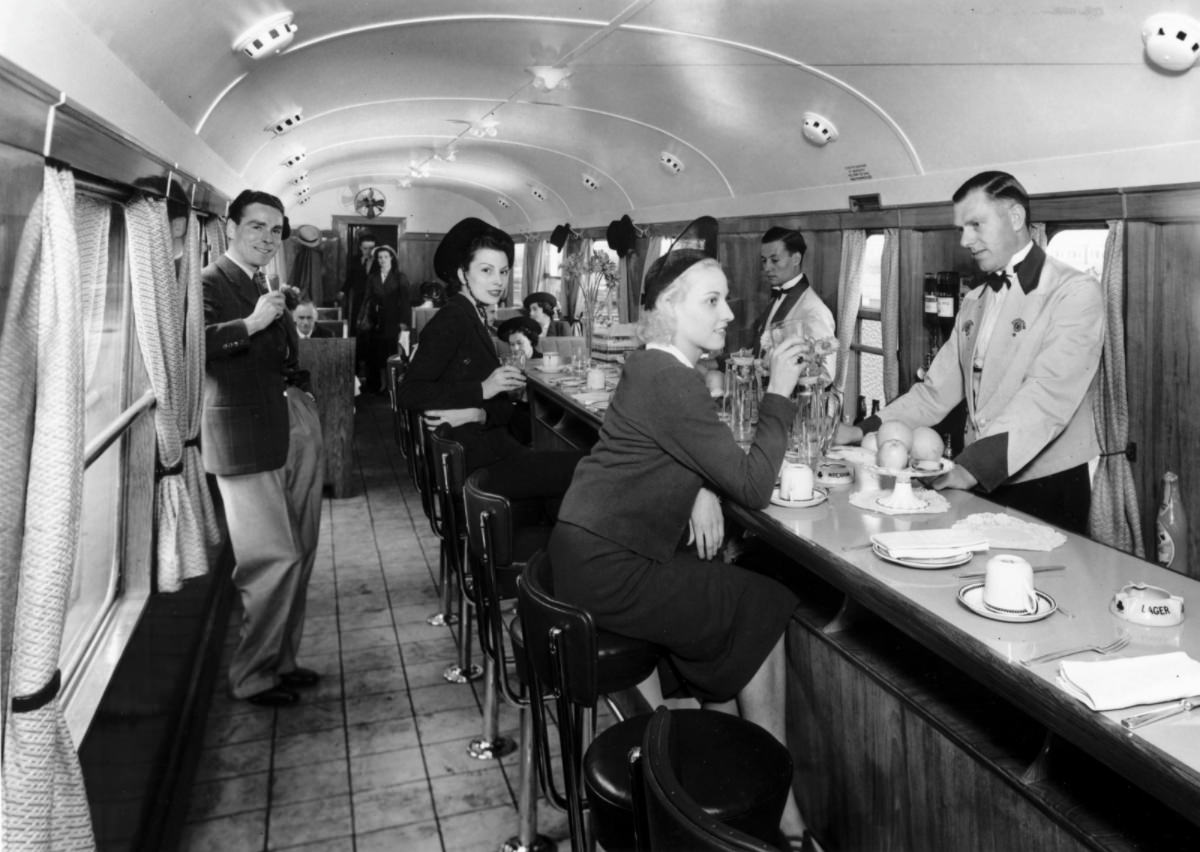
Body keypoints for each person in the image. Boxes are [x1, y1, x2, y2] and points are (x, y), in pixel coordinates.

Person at [547, 216, 812, 847]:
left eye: (727, 300)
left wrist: (697, 486)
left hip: (584, 551)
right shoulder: (674, 380)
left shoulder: (650, 367)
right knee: (762, 600)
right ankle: (779, 802)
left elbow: (670, 449)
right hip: (611, 569)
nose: (727, 315)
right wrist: (779, 391)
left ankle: (729, 750)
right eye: (712, 301)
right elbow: (753, 486)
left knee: (717, 586)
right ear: (670, 307)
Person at [838, 170, 1105, 533]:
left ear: (1015, 217)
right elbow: (934, 393)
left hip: (1044, 485)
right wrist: (863, 430)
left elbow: (1047, 397)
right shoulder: (975, 300)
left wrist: (969, 468)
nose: (965, 239)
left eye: (976, 225)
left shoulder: (1075, 292)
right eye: (961, 228)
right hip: (981, 476)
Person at [202, 190, 325, 707]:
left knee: (301, 549)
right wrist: (251, 324)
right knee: (269, 559)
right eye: (256, 227)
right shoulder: (209, 282)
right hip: (243, 437)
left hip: (289, 419)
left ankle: (282, 661)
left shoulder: (265, 281)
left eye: (275, 231)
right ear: (231, 227)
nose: (266, 238)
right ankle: (253, 674)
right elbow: (191, 345)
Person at [395, 217, 529, 472]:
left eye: (503, 271)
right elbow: (409, 392)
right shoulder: (452, 319)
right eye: (486, 270)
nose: (498, 281)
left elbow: (490, 403)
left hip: (487, 446)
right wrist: (482, 389)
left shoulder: (472, 314)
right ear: (462, 274)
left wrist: (481, 413)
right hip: (474, 459)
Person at [752, 226, 836, 377]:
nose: (767, 268)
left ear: (796, 259)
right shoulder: (776, 297)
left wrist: (774, 371)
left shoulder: (814, 311)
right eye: (764, 261)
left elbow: (824, 375)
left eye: (775, 260)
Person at [359, 245, 412, 393]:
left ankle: (394, 385)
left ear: (392, 259)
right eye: (380, 257)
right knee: (378, 354)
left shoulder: (400, 277)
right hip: (376, 322)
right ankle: (382, 385)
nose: (382, 260)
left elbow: (405, 302)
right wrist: (362, 318)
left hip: (394, 321)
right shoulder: (373, 277)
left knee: (394, 354)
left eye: (385, 257)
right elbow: (367, 299)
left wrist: (403, 323)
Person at [342, 230, 376, 336]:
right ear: (360, 248)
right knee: (357, 322)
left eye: (371, 248)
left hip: (373, 298)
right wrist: (343, 291)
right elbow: (350, 279)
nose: (369, 251)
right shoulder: (355, 260)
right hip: (358, 297)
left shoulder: (379, 261)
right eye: (365, 248)